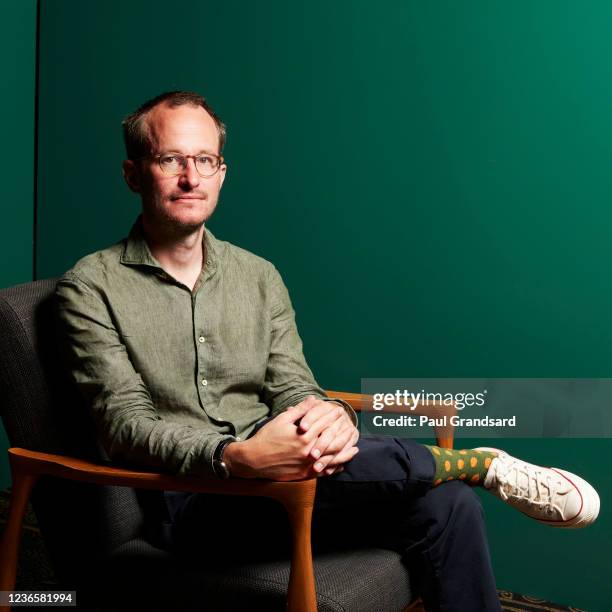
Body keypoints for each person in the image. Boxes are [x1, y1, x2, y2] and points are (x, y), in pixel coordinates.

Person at [55, 91, 600, 612]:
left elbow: (294, 386)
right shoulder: (91, 287)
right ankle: (475, 463)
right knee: (435, 484)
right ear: (133, 173)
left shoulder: (258, 276)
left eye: (205, 159)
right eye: (171, 158)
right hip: (197, 501)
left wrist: (330, 417)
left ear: (223, 172)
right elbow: (123, 424)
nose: (191, 176)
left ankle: (462, 474)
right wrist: (234, 457)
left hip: (300, 479)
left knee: (448, 505)